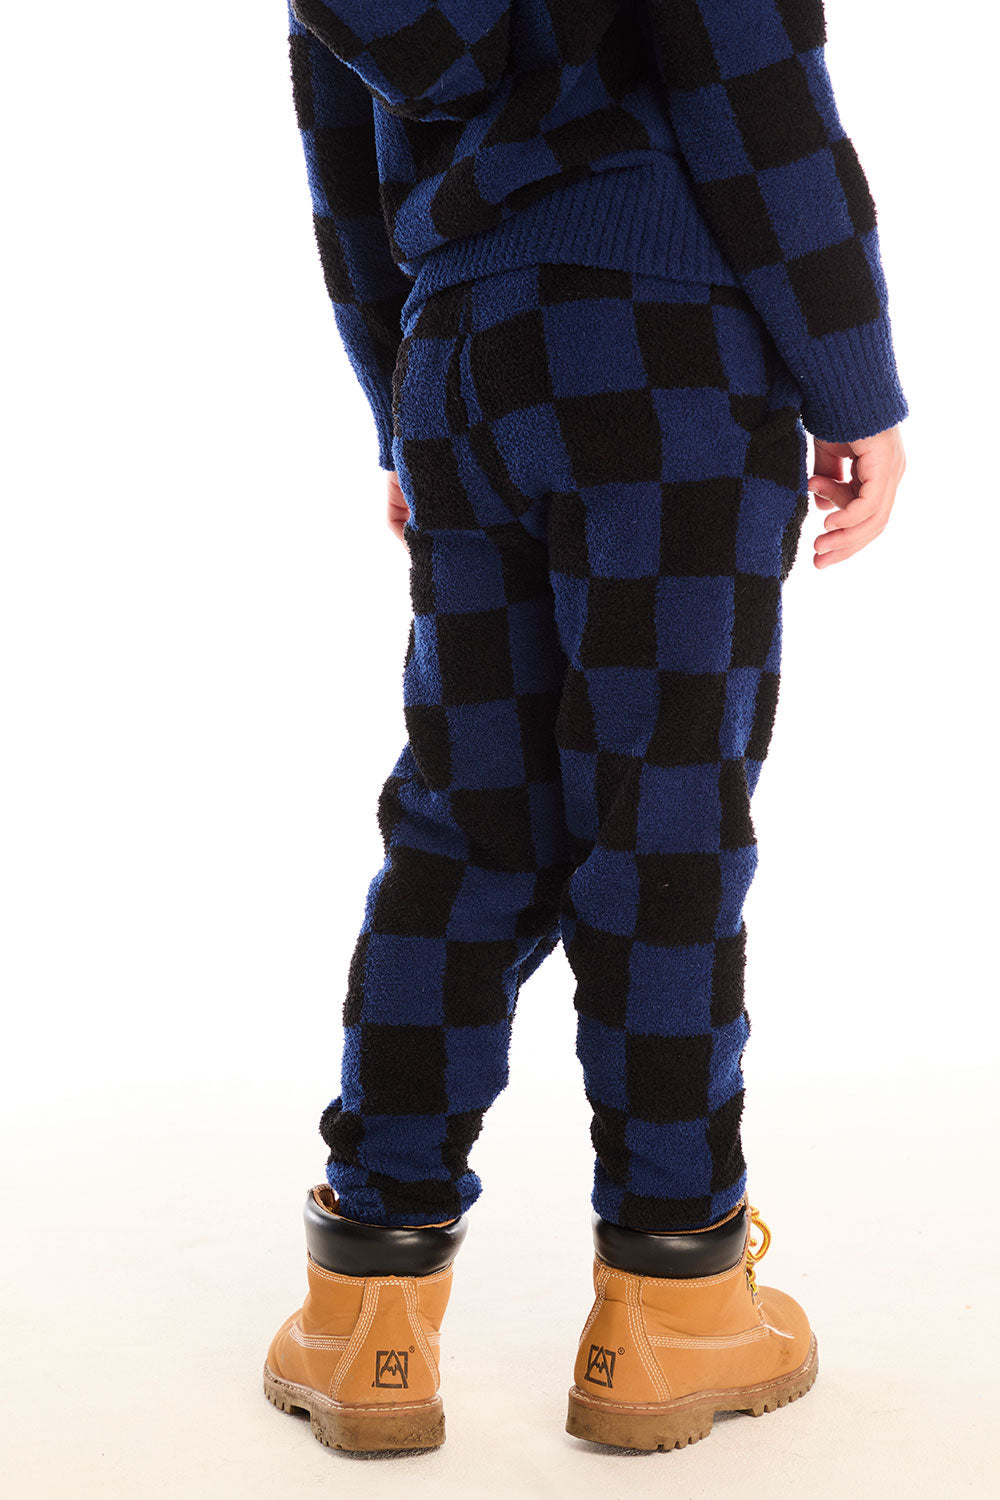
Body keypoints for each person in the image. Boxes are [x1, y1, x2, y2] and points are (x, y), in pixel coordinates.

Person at [262, 0, 908, 1455]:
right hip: (668, 353)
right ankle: (674, 1301)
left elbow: (345, 179)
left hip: (462, 364)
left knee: (464, 821)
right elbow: (755, 96)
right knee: (660, 822)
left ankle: (366, 1300)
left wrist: (401, 409)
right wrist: (853, 383)